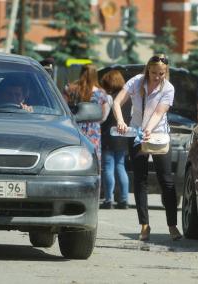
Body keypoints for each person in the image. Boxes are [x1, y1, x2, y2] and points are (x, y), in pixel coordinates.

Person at [112, 54, 182, 241]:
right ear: (147, 70)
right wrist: (120, 120)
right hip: (136, 133)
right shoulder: (136, 81)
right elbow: (117, 102)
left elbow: (159, 113)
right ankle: (144, 225)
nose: (157, 77)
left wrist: (148, 130)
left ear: (166, 72)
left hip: (158, 134)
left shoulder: (168, 88)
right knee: (140, 179)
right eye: (153, 73)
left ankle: (172, 225)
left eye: (161, 73)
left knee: (166, 180)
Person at [99, 70, 132, 209]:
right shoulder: (128, 98)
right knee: (120, 166)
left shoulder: (109, 97)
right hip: (123, 136)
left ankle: (108, 199)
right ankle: (124, 199)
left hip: (109, 135)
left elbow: (103, 118)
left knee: (108, 167)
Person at [63, 64, 108, 162]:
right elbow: (103, 115)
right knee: (93, 157)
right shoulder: (101, 93)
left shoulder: (71, 89)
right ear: (95, 75)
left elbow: (63, 107)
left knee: (75, 156)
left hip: (75, 126)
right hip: (94, 129)